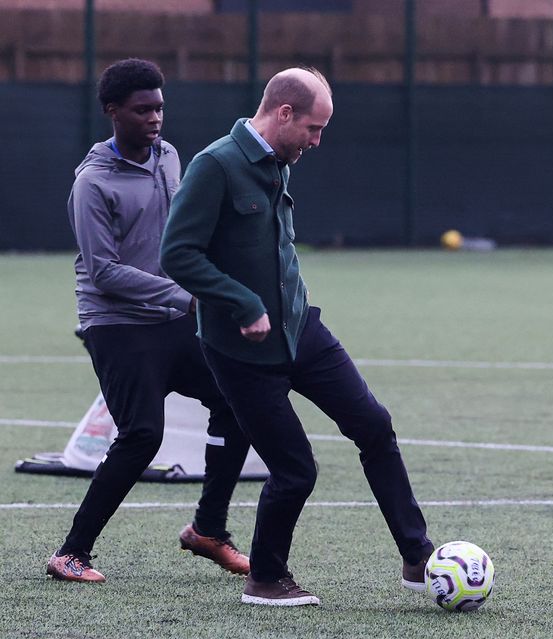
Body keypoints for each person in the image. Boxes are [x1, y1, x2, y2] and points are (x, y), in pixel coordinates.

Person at [160, 67, 434, 607]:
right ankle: (265, 579)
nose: (317, 140)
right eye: (313, 127)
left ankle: (417, 556)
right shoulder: (215, 165)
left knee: (374, 425)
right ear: (283, 113)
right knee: (295, 470)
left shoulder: (280, 161)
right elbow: (177, 255)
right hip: (241, 352)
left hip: (302, 329)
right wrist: (241, 301)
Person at [49, 58, 253, 583]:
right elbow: (104, 271)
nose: (155, 118)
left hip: (173, 313)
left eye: (160, 107)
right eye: (143, 110)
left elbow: (181, 237)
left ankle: (209, 530)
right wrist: (186, 298)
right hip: (116, 323)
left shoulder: (169, 157)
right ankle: (71, 554)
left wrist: (210, 281)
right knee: (142, 436)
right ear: (113, 112)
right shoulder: (92, 183)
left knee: (236, 402)